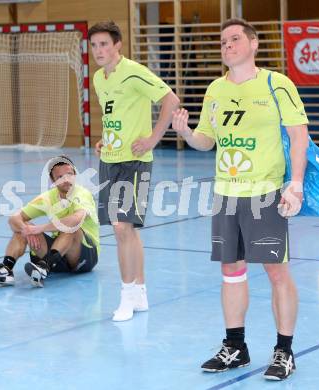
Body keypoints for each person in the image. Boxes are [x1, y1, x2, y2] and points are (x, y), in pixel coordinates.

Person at [172, 18, 309, 381]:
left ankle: (284, 350)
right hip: (227, 194)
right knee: (231, 272)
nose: (227, 45)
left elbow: (299, 137)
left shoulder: (275, 84)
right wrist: (185, 131)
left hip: (264, 192)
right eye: (222, 41)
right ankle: (236, 347)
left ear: (254, 44)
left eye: (235, 39)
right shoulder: (215, 89)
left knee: (276, 270)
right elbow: (206, 140)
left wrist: (294, 183)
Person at [88, 21, 180, 321]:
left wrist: (153, 137)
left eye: (104, 44)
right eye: (94, 45)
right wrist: (105, 139)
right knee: (127, 230)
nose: (99, 50)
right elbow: (115, 116)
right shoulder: (99, 79)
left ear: (117, 45)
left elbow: (171, 99)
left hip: (135, 162)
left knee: (121, 228)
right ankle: (139, 292)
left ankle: (126, 296)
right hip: (109, 160)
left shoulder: (134, 72)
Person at [0, 155, 99, 287]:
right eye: (60, 177)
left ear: (75, 175)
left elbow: (76, 219)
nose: (66, 180)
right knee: (24, 227)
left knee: (71, 228)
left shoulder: (82, 194)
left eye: (69, 174)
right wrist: (26, 229)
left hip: (84, 256)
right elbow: (14, 218)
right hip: (57, 256)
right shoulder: (48, 198)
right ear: (52, 180)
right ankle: (6, 269)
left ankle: (44, 267)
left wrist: (41, 228)